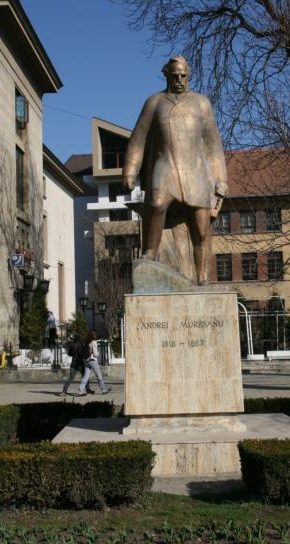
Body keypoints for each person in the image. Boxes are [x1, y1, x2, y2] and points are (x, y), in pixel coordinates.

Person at [123, 55, 228, 285]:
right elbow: (138, 138)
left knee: (201, 229)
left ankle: (202, 277)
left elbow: (213, 145)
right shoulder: (155, 102)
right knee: (157, 203)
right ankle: (150, 251)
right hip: (165, 165)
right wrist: (130, 171)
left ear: (188, 76)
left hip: (196, 172)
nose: (179, 80)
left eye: (183, 76)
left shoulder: (202, 103)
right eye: (174, 76)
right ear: (166, 76)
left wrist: (221, 179)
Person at [77, 331, 110, 396]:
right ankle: (103, 389)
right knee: (99, 375)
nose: (96, 336)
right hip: (92, 361)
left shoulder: (87, 342)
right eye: (95, 335)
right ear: (94, 336)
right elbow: (95, 354)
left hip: (86, 361)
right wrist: (98, 353)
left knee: (85, 377)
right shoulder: (94, 342)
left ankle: (80, 391)